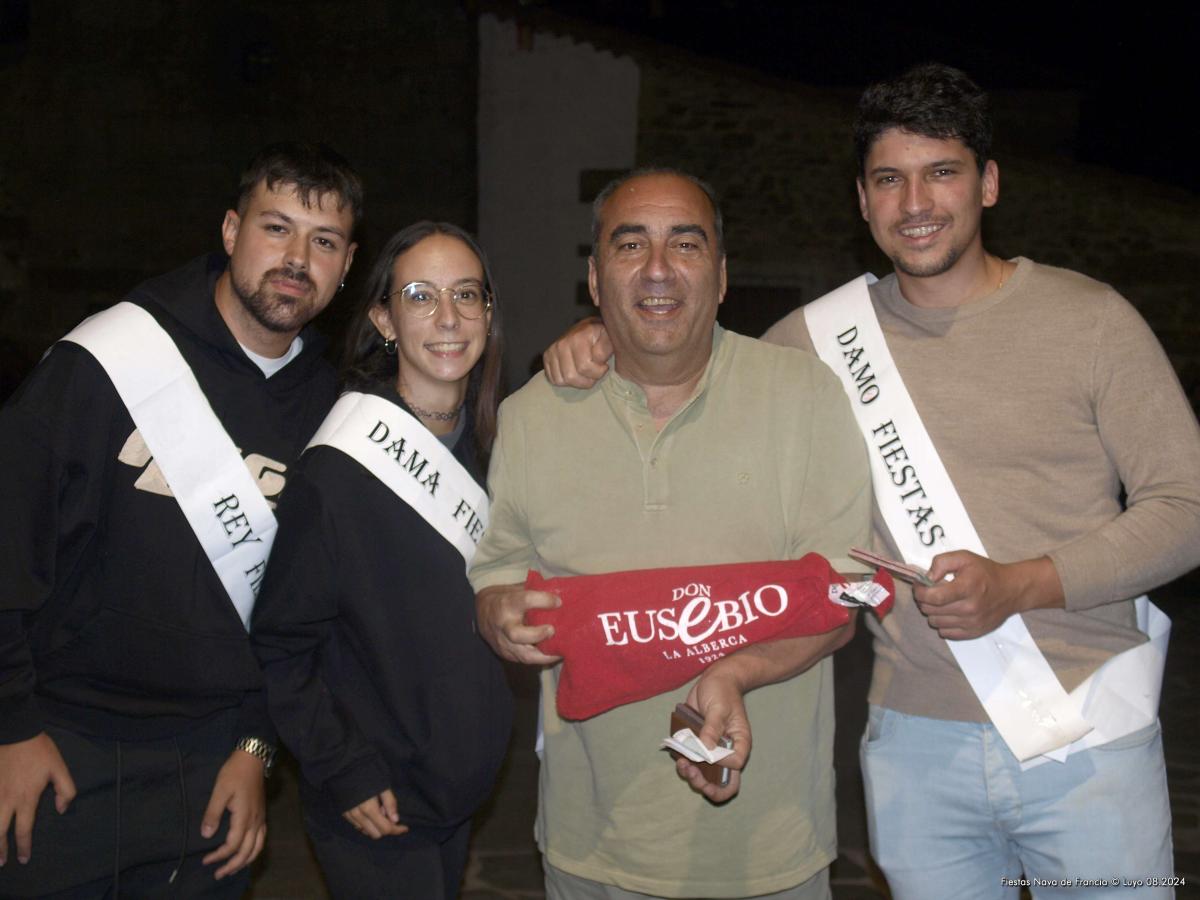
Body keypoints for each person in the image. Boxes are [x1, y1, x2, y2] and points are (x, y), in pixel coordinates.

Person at [543, 65, 1200, 899]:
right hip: (913, 744)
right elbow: (684, 367)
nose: (915, 202)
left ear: (989, 183)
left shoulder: (1090, 318)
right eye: (889, 179)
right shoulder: (812, 343)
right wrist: (599, 334)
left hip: (1088, 731)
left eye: (942, 172)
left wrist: (1022, 584)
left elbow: (1187, 509)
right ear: (862, 199)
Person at [472, 169, 872, 899]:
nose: (658, 268)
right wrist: (495, 611)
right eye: (631, 245)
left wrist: (734, 674)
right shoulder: (532, 415)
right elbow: (498, 570)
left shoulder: (805, 396)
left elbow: (844, 597)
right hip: (589, 852)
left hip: (769, 853)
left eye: (686, 245)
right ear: (595, 280)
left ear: (722, 277)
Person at [0, 142, 361, 897]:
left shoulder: (333, 414)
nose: (297, 260)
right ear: (230, 231)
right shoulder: (106, 361)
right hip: (58, 747)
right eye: (276, 228)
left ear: (347, 263)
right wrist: (11, 728)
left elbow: (304, 614)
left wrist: (256, 747)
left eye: (324, 241)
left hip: (213, 765)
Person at [250, 221, 513, 899]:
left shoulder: (499, 451)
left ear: (488, 313)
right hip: (380, 804)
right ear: (384, 320)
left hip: (459, 793)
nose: (448, 318)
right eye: (421, 296)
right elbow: (280, 644)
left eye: (466, 295)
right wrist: (343, 769)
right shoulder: (339, 471)